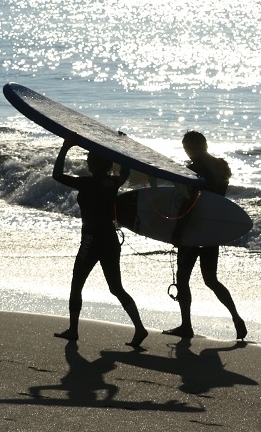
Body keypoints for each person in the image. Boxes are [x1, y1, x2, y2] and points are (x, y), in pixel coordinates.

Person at [52, 135, 148, 347]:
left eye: (88, 159)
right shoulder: (112, 182)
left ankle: (73, 330)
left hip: (92, 238)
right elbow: (125, 172)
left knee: (77, 283)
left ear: (92, 164)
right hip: (110, 239)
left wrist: (65, 147)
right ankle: (140, 328)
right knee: (116, 287)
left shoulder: (86, 183)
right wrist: (119, 148)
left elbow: (57, 174)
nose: (86, 161)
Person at [163, 131, 247, 341]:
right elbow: (216, 198)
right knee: (211, 279)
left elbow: (188, 203)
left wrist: (177, 231)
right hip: (211, 231)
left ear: (190, 147)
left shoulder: (192, 170)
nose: (186, 152)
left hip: (193, 229)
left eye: (186, 148)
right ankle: (236, 317)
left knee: (182, 279)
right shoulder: (222, 166)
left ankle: (186, 326)